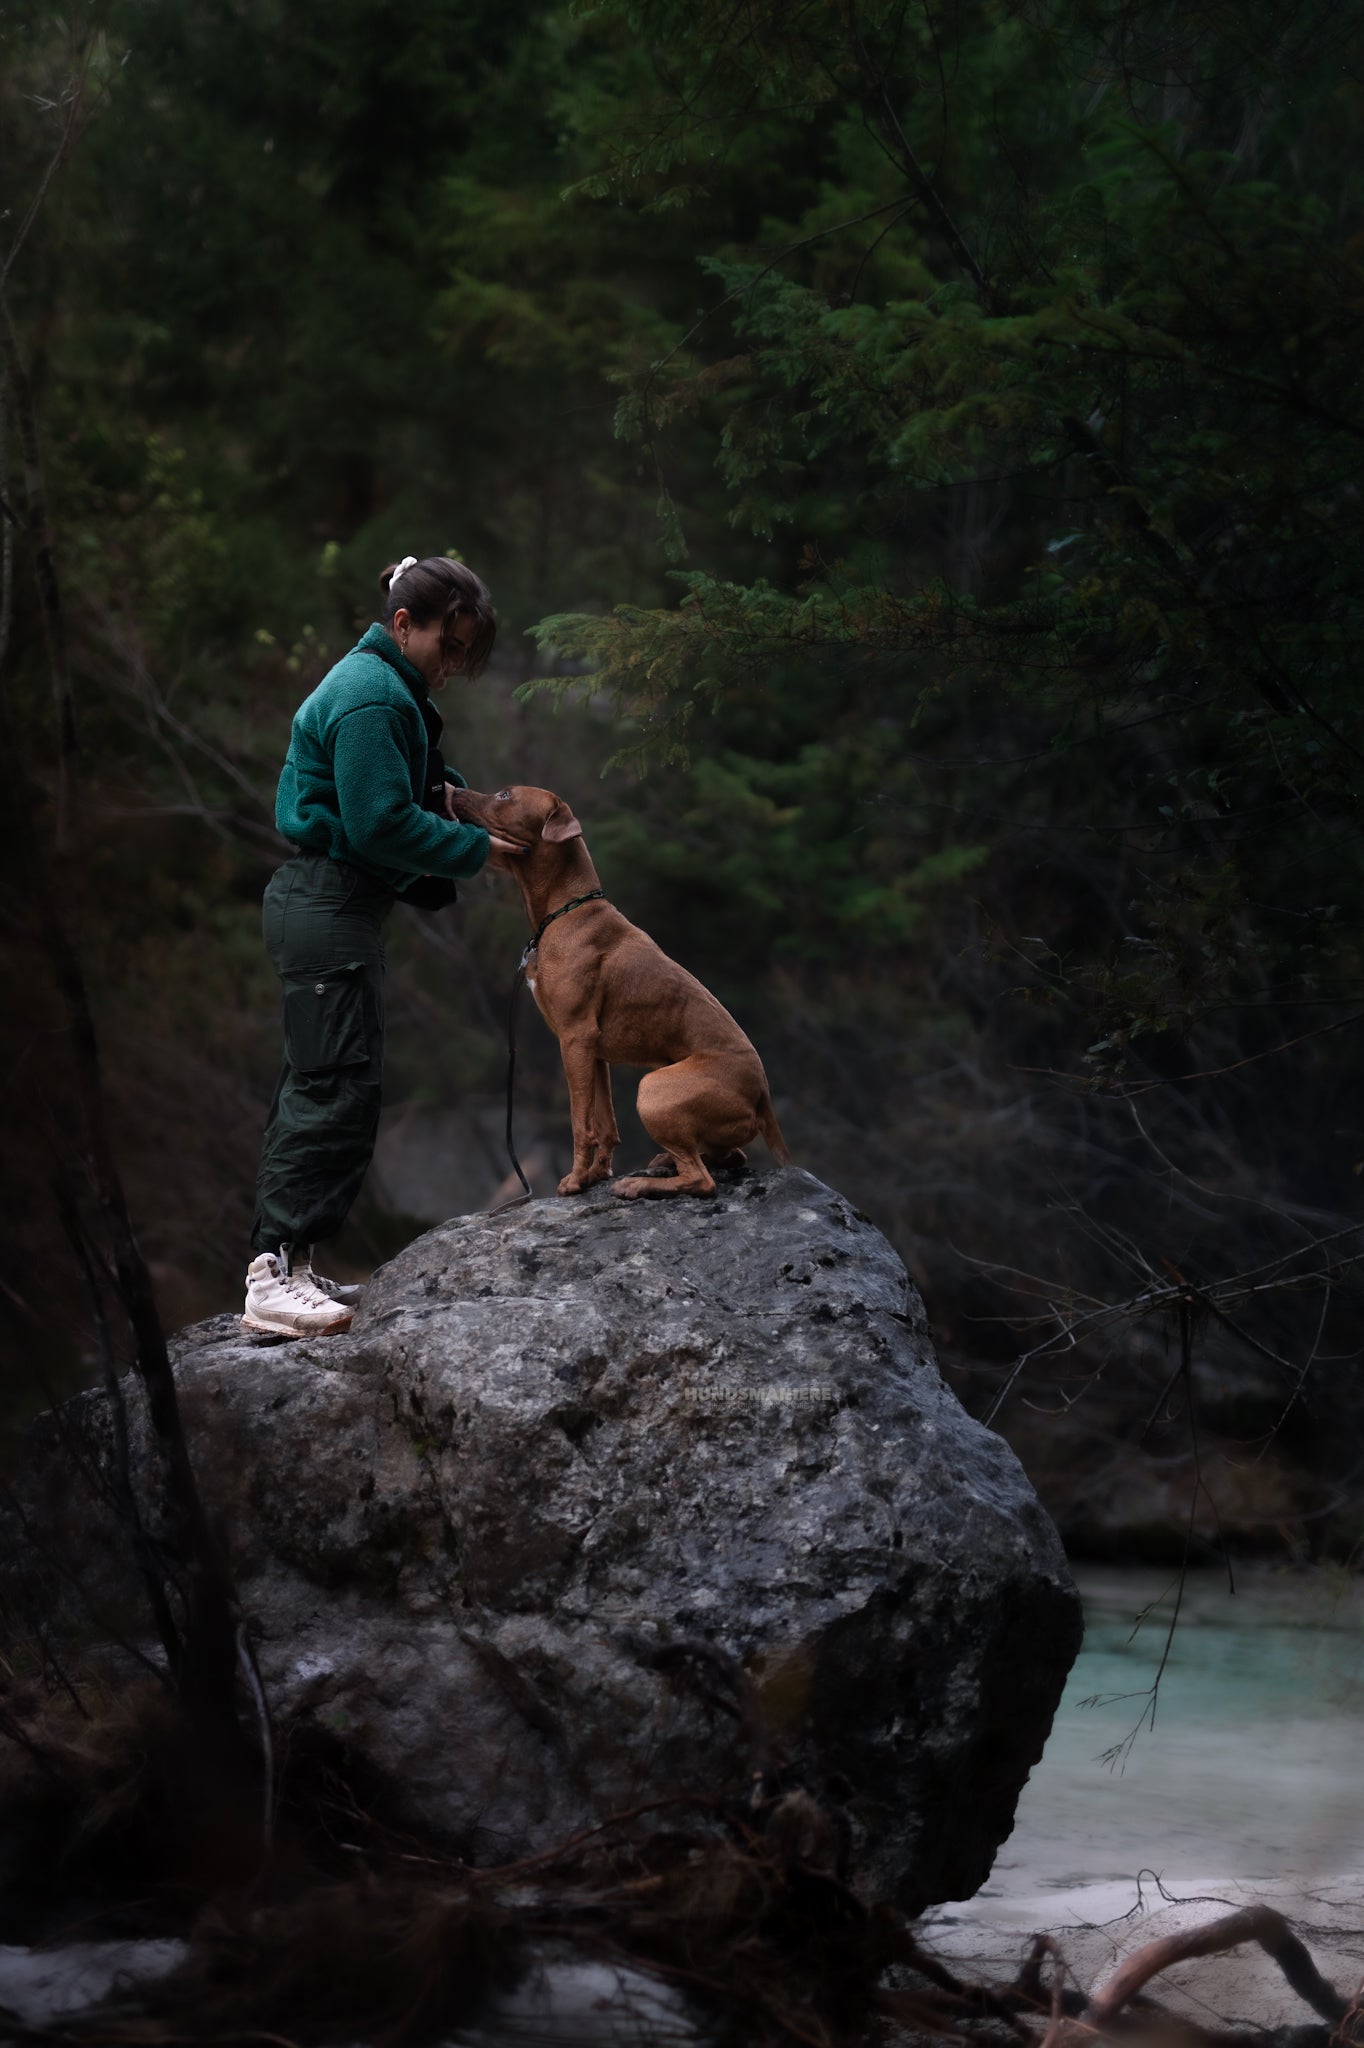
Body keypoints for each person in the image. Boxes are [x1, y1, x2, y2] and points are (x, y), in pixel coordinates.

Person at [242, 554, 521, 1338]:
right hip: (326, 904)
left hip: (334, 908)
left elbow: (414, 791)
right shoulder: (370, 695)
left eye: (467, 651)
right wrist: (482, 854)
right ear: (405, 625)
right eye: (450, 645)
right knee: (333, 1088)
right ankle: (271, 1278)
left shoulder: (385, 686)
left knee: (322, 1080)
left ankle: (287, 1265)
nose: (456, 665)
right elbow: (378, 823)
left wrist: (469, 808)